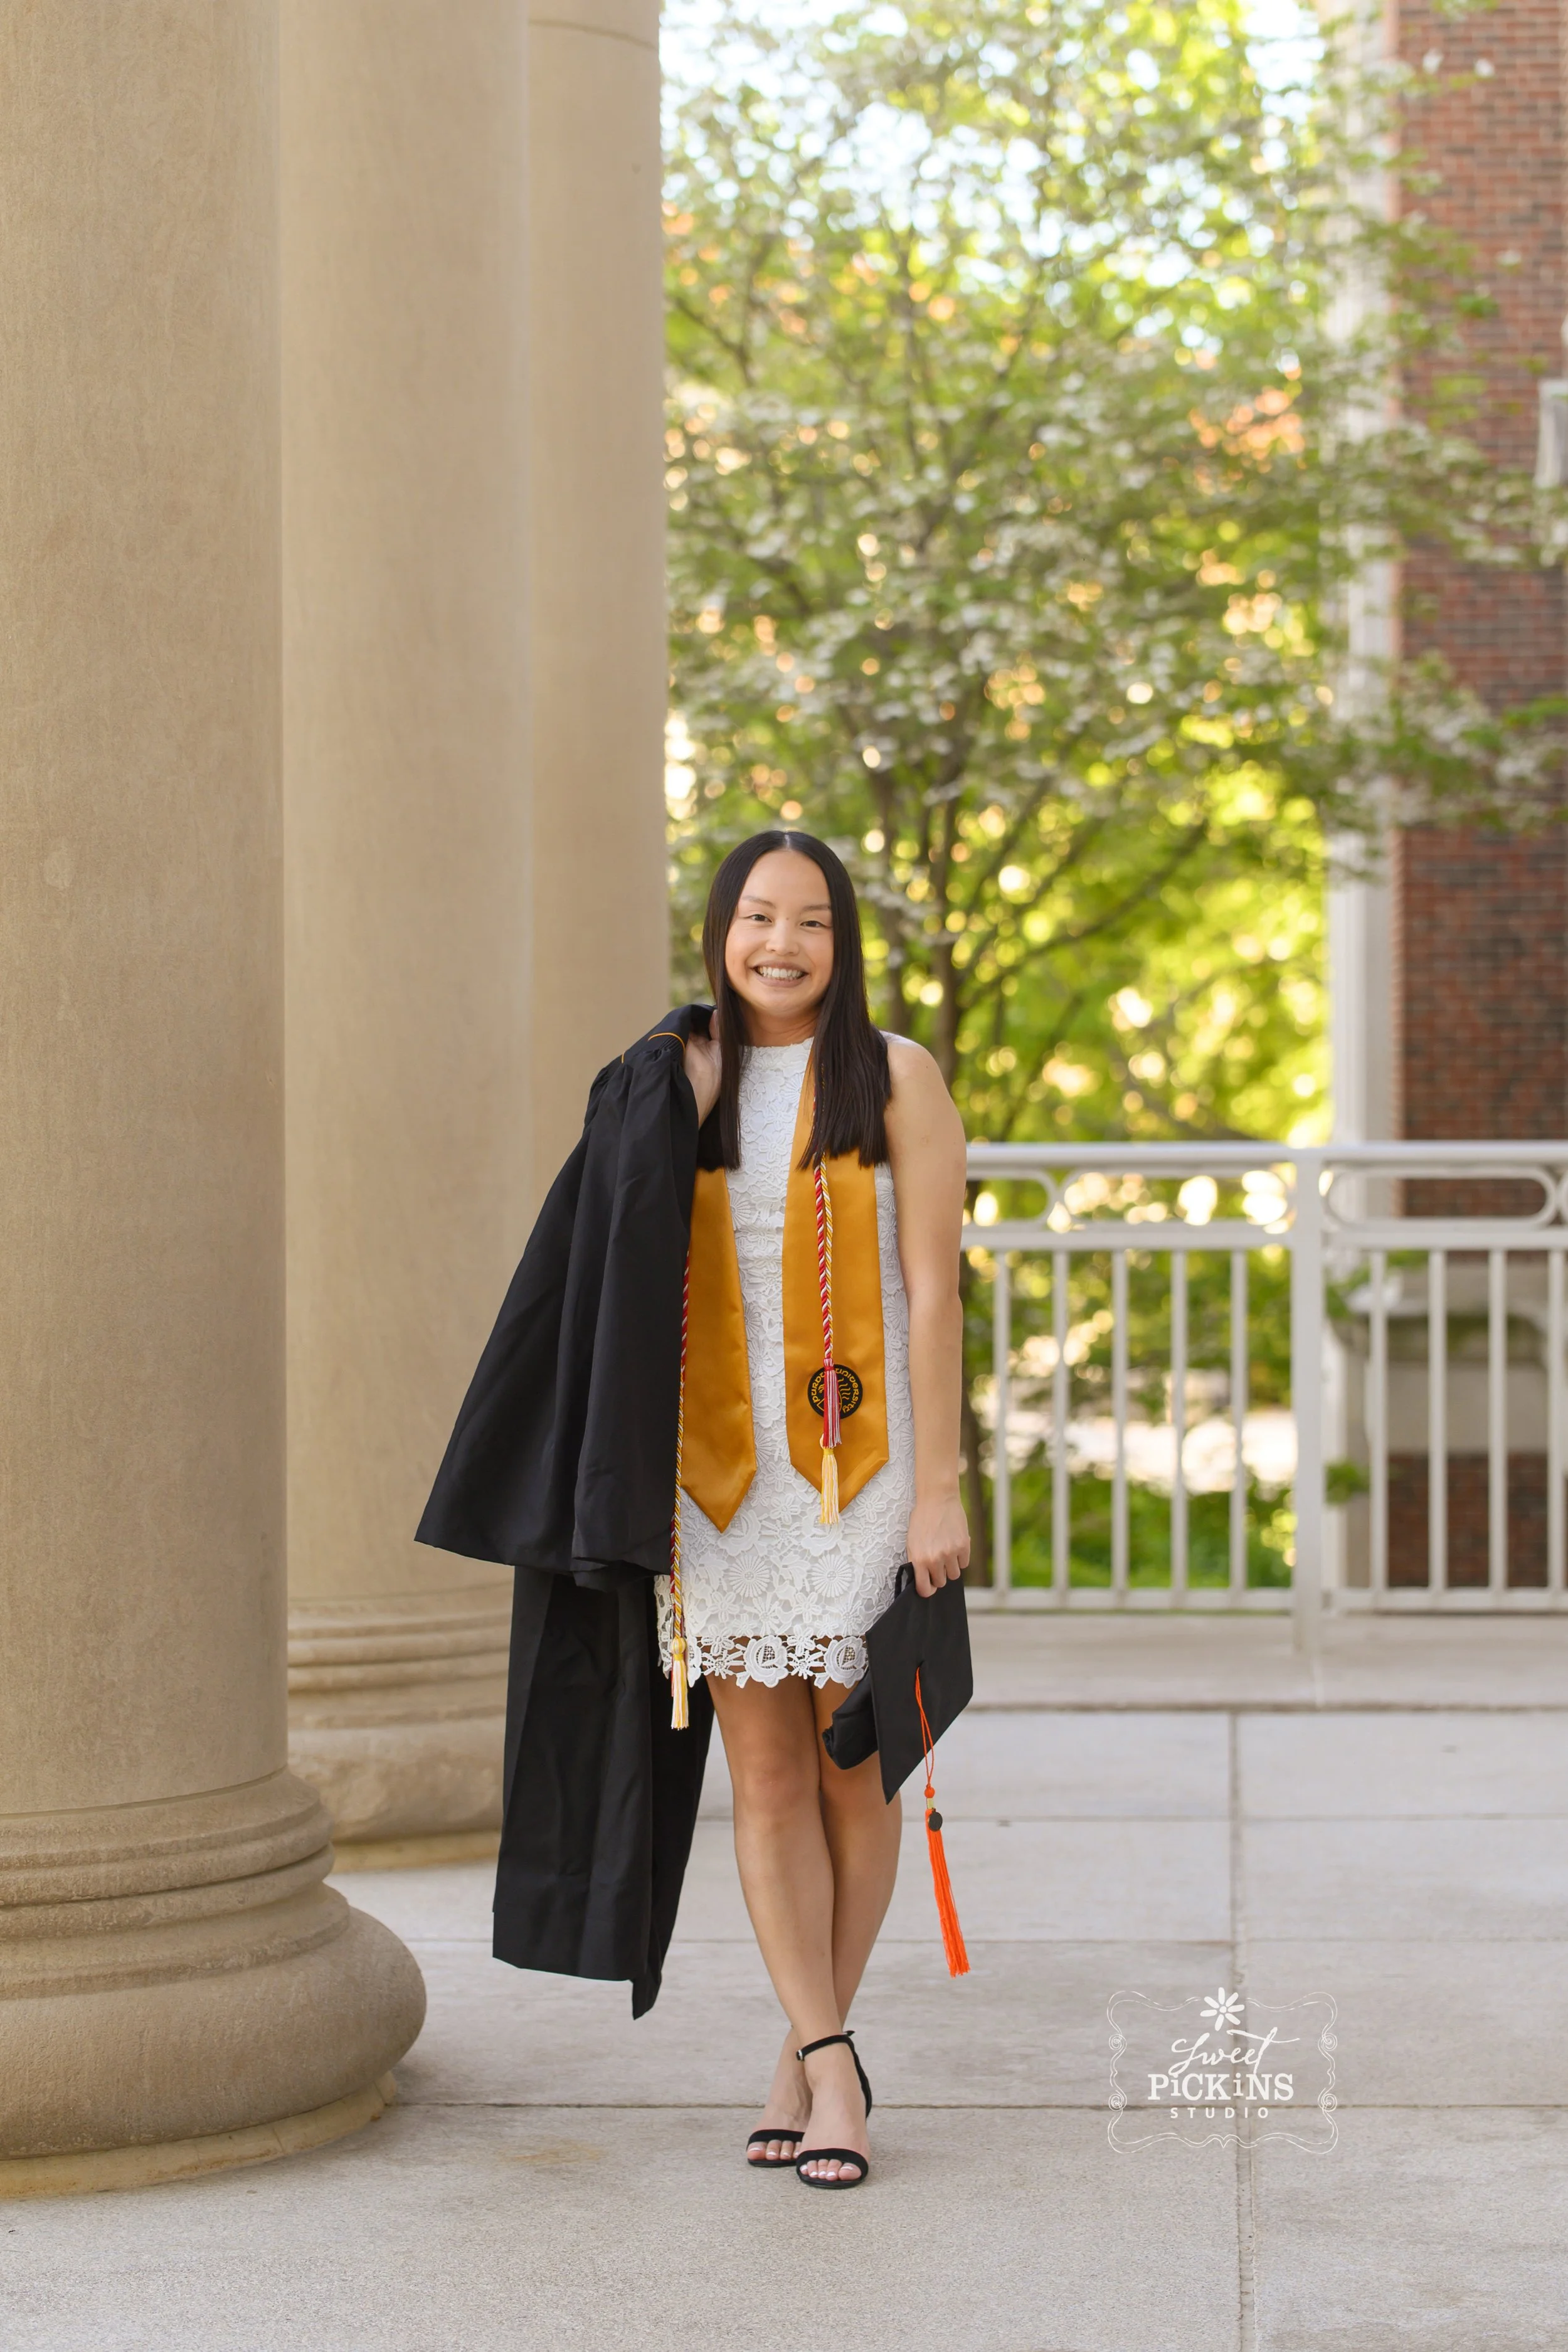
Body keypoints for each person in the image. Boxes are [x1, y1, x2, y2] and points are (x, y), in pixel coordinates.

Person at [667, 829, 968, 2190]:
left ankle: (809, 2050)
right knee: (765, 1782)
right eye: (754, 918)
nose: (779, 944)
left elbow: (931, 1292)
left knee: (853, 1775)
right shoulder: (677, 1078)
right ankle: (825, 2051)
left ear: (841, 945)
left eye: (809, 923)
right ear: (719, 931)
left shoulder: (893, 1077)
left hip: (861, 1481)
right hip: (719, 1483)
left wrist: (940, 1490)